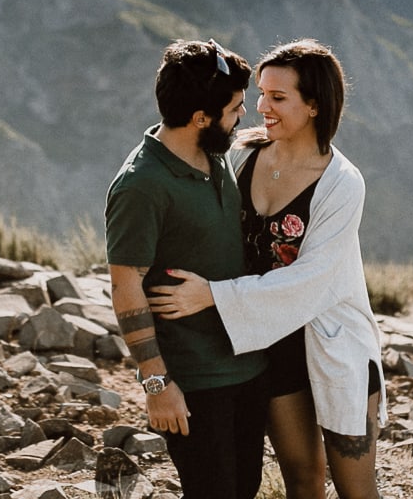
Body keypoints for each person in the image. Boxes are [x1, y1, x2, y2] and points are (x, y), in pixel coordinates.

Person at [149, 39, 387, 499]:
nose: (262, 107)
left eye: (278, 97)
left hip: (334, 343)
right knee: (302, 477)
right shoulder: (242, 154)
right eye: (261, 93)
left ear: (315, 105)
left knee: (356, 489)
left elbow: (311, 279)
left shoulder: (341, 183)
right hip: (267, 346)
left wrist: (213, 295)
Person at [105, 39, 269, 499]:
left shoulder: (214, 155)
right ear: (201, 118)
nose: (243, 117)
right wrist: (157, 384)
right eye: (236, 109)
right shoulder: (141, 185)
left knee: (245, 488)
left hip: (246, 365)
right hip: (194, 381)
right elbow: (125, 286)